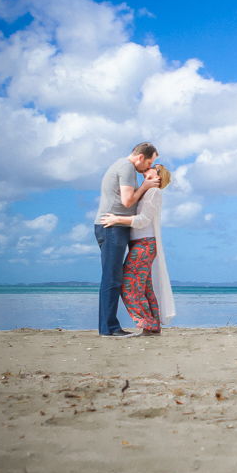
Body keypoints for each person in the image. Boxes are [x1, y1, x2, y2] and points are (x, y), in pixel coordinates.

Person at [94, 143, 160, 337]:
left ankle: (107, 327)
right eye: (148, 163)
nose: (147, 168)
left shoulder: (123, 166)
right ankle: (109, 328)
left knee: (111, 277)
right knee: (112, 278)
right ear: (140, 157)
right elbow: (127, 201)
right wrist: (145, 186)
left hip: (113, 227)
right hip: (113, 227)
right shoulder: (127, 167)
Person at [101, 164, 175, 336]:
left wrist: (116, 219)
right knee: (145, 288)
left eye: (153, 168)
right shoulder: (144, 192)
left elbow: (142, 220)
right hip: (138, 244)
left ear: (158, 176)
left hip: (145, 244)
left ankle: (148, 324)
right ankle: (152, 327)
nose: (147, 167)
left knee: (129, 286)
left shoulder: (154, 193)